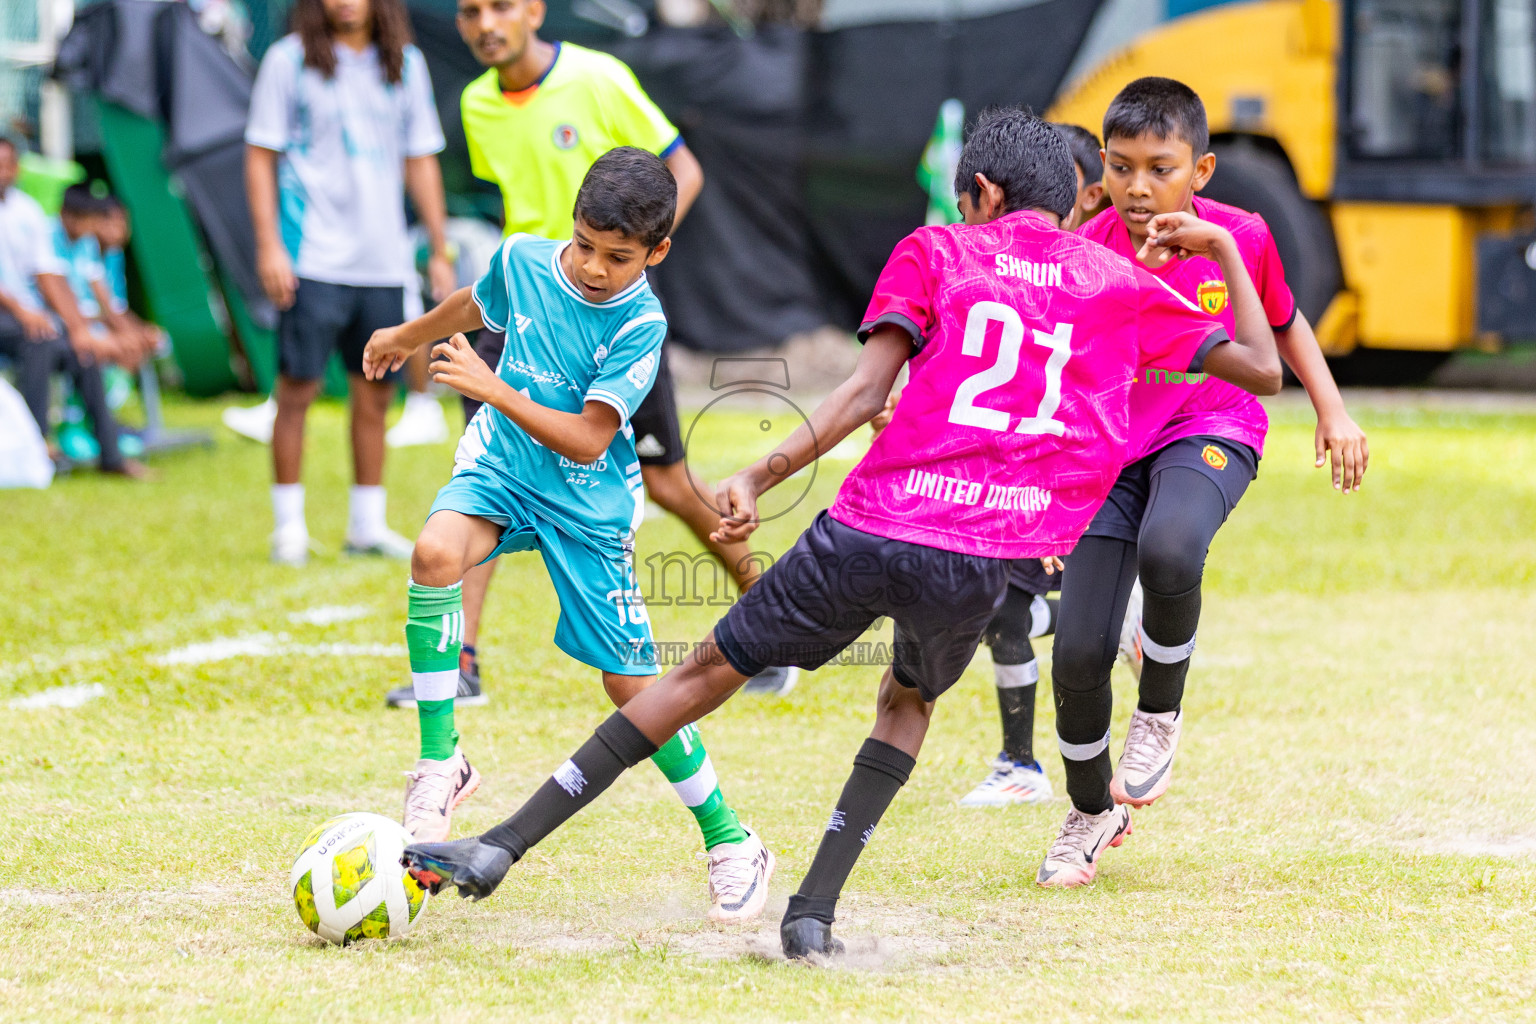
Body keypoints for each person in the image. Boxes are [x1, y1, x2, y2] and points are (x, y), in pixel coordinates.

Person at [396, 108, 1281, 960]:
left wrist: (757, 473)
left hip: (870, 526)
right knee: (907, 702)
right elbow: (1261, 370)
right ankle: (812, 915)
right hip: (978, 558)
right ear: (1076, 198)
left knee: (703, 671)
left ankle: (503, 845)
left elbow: (861, 395)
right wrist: (1221, 252)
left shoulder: (935, 250)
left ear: (975, 192)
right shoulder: (1122, 284)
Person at [362, 147, 774, 922]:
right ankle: (440, 762)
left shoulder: (641, 323)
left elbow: (588, 439)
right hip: (502, 471)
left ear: (657, 253)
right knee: (434, 553)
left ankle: (730, 839)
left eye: (617, 257)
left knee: (633, 690)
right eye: (584, 245)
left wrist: (491, 388)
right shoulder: (522, 260)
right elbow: (474, 307)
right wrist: (405, 335)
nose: (592, 267)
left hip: (587, 506)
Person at [378, 0, 795, 709]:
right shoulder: (478, 104)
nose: (486, 24)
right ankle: (464, 662)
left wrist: (626, 270)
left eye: (501, 7)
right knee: (485, 465)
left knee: (665, 483)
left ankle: (772, 619)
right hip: (518, 306)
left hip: (602, 327)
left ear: (534, 11)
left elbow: (681, 170)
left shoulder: (598, 77)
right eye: (471, 11)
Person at [1040, 77, 1368, 887]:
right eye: (1121, 168)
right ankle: (1089, 811)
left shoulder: (1243, 235)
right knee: (1078, 655)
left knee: (1174, 546)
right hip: (1114, 449)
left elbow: (1284, 329)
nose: (1139, 188)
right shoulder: (1088, 246)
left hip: (1211, 426)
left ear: (1202, 170)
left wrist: (1335, 414)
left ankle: (1158, 712)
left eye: (1160, 167)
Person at [244, 0, 456, 565]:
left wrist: (437, 247)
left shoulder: (405, 63)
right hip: (312, 260)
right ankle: (288, 527)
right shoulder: (289, 61)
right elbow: (260, 155)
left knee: (376, 395)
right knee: (296, 392)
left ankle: (367, 525)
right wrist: (269, 245)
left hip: (383, 263)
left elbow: (421, 159)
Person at [953, 122, 1122, 809]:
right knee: (1005, 611)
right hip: (1005, 483)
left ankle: (1022, 766)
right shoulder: (1008, 273)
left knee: (1007, 610)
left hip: (1052, 490)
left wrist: (1063, 507)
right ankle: (1022, 761)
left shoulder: (1090, 283)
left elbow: (1094, 411)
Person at [0, 139, 144, 477]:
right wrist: (23, 311)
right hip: (13, 317)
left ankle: (110, 456)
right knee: (40, 341)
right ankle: (36, 447)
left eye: (8, 163)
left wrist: (79, 330)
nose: (3, 171)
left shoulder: (27, 210)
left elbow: (49, 275)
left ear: (17, 168)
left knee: (82, 351)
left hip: (27, 319)